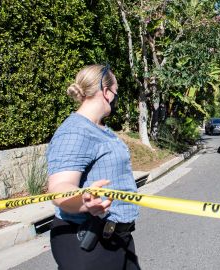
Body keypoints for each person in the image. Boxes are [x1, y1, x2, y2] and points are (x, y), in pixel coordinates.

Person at [46, 64, 141, 270]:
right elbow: (59, 187)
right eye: (116, 92)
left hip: (118, 238)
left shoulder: (99, 129)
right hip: (90, 241)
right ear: (106, 92)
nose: (116, 98)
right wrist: (84, 202)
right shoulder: (75, 132)